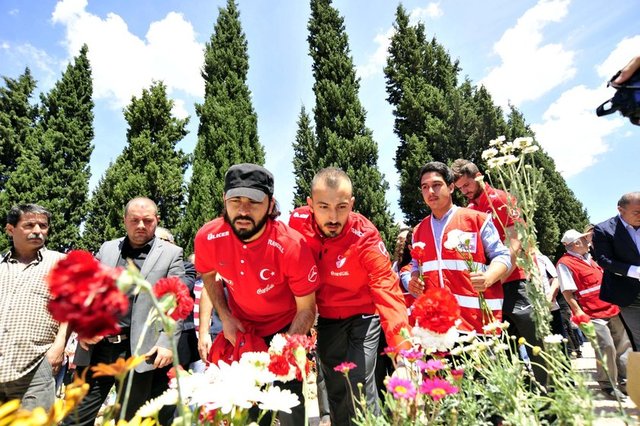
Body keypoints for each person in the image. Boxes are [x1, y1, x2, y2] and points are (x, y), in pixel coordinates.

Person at [195, 163, 318, 426]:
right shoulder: (207, 237)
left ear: (270, 204)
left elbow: (307, 308)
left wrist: (286, 347)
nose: (243, 210)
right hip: (244, 329)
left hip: (287, 327)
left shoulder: (292, 246)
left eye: (253, 201)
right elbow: (208, 275)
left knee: (289, 405)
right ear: (224, 200)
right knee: (248, 410)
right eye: (235, 200)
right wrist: (225, 317)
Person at [289, 167, 411, 426]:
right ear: (310, 204)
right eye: (323, 207)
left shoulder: (366, 236)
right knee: (335, 387)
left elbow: (387, 289)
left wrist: (404, 354)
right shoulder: (296, 223)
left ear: (352, 204)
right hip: (328, 317)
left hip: (364, 317)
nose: (333, 217)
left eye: (342, 207)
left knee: (359, 384)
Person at [66, 197, 185, 425]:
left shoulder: (171, 253)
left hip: (139, 351)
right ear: (124, 221)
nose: (141, 225)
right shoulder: (107, 248)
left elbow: (177, 301)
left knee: (128, 420)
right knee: (75, 418)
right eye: (134, 220)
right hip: (97, 349)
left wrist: (167, 342)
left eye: (147, 220)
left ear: (157, 220)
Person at [451, 159, 545, 381]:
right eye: (460, 188)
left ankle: (550, 388)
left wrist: (497, 275)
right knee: (504, 344)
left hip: (515, 279)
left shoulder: (500, 199)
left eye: (467, 185)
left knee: (534, 340)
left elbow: (515, 240)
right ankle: (519, 389)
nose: (464, 191)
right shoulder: (469, 210)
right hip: (491, 286)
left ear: (478, 176)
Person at [407, 162, 511, 334]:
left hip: (477, 324)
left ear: (451, 187)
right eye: (425, 187)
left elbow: (502, 256)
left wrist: (488, 277)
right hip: (438, 327)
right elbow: (416, 265)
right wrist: (414, 279)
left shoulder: (477, 220)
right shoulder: (418, 231)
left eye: (436, 185)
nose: (430, 191)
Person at [0, 204, 67, 410]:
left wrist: (59, 346)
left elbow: (71, 308)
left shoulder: (61, 263)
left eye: (43, 226)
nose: (38, 231)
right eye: (29, 225)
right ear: (10, 229)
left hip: (37, 366)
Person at [556, 229, 632, 398]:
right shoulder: (565, 263)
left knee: (622, 346)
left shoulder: (590, 259)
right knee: (606, 347)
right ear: (576, 243)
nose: (588, 242)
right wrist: (579, 313)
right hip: (592, 314)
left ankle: (626, 382)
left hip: (611, 308)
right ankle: (608, 385)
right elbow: (567, 292)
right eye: (584, 240)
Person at [593, 192, 640, 350]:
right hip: (630, 295)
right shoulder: (604, 229)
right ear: (621, 210)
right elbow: (604, 260)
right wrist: (636, 271)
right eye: (636, 212)